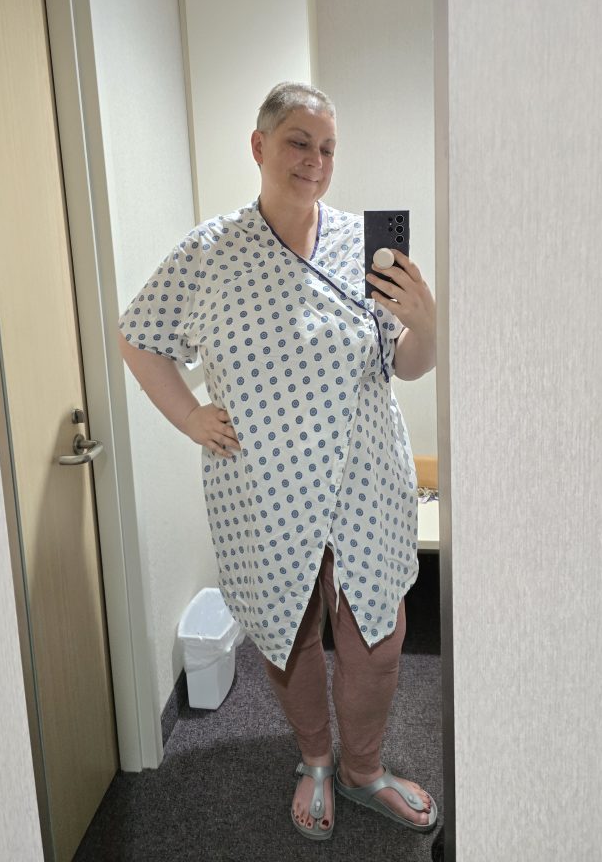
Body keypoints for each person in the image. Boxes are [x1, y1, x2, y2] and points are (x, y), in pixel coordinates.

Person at [118, 81, 437, 840]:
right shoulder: (208, 252)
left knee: (378, 637)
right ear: (259, 146)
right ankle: (316, 760)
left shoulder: (363, 245)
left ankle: (364, 769)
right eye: (299, 142)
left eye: (327, 148)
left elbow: (407, 363)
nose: (315, 160)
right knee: (287, 630)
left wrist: (427, 323)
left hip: (365, 473)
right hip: (262, 483)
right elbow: (139, 337)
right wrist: (190, 415)